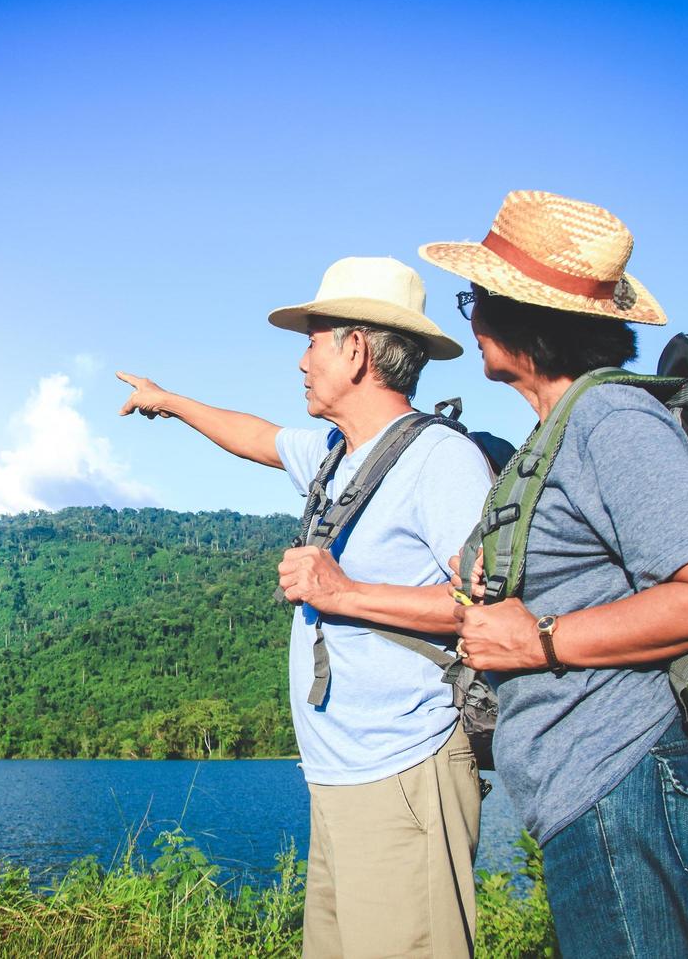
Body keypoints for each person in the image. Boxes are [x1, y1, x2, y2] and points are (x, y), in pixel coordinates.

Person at [417, 190, 688, 957]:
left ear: (526, 320)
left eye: (477, 298)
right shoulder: (560, 429)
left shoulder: (611, 422)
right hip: (600, 786)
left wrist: (541, 639)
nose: (470, 317)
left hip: (628, 776)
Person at [118, 256, 493, 957]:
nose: (301, 360)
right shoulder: (335, 452)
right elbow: (257, 437)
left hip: (404, 769)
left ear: (356, 349)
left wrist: (343, 592)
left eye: (314, 339)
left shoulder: (440, 460)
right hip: (340, 773)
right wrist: (167, 401)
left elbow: (491, 611)